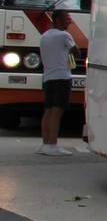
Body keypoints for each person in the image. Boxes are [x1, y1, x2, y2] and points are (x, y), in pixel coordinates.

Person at [36, 9, 85, 157]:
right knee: (57, 112)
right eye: (66, 18)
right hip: (62, 77)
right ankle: (53, 144)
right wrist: (69, 51)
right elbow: (77, 52)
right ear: (57, 20)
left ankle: (45, 144)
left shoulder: (44, 36)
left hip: (48, 77)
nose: (69, 21)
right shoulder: (64, 35)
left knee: (48, 111)